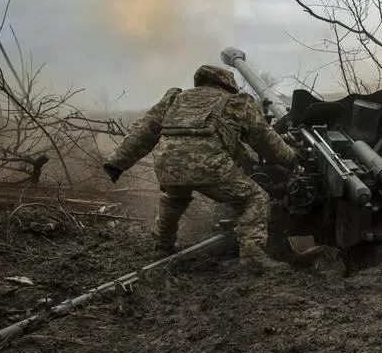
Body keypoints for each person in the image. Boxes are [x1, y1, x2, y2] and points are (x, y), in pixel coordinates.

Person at [102, 64, 298, 272]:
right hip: (209, 166)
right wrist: (292, 158)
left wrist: (117, 163)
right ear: (228, 84)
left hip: (168, 164)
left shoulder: (175, 98)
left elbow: (144, 130)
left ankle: (162, 245)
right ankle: (253, 256)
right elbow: (265, 141)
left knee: (174, 197)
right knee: (254, 198)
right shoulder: (238, 102)